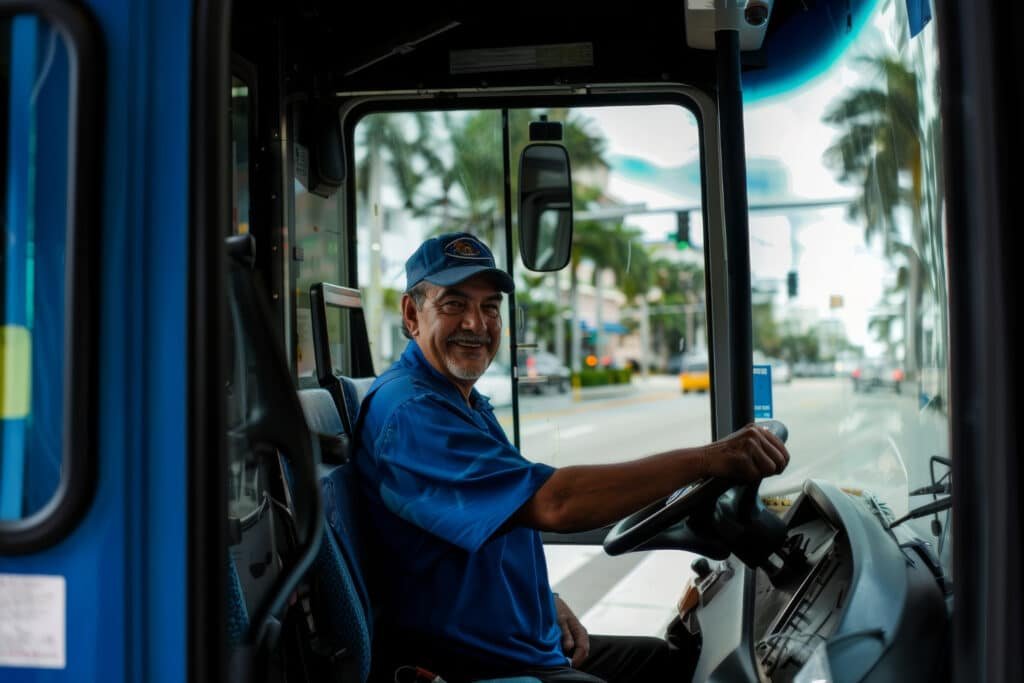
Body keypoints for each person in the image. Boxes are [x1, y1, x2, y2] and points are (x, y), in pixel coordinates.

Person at [354, 232, 790, 683]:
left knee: (664, 661)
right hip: (476, 663)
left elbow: (500, 521)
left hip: (517, 639)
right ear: (411, 315)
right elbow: (553, 502)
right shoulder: (412, 413)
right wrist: (706, 460)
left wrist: (544, 598)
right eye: (454, 304)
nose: (476, 324)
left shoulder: (458, 400)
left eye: (489, 307)